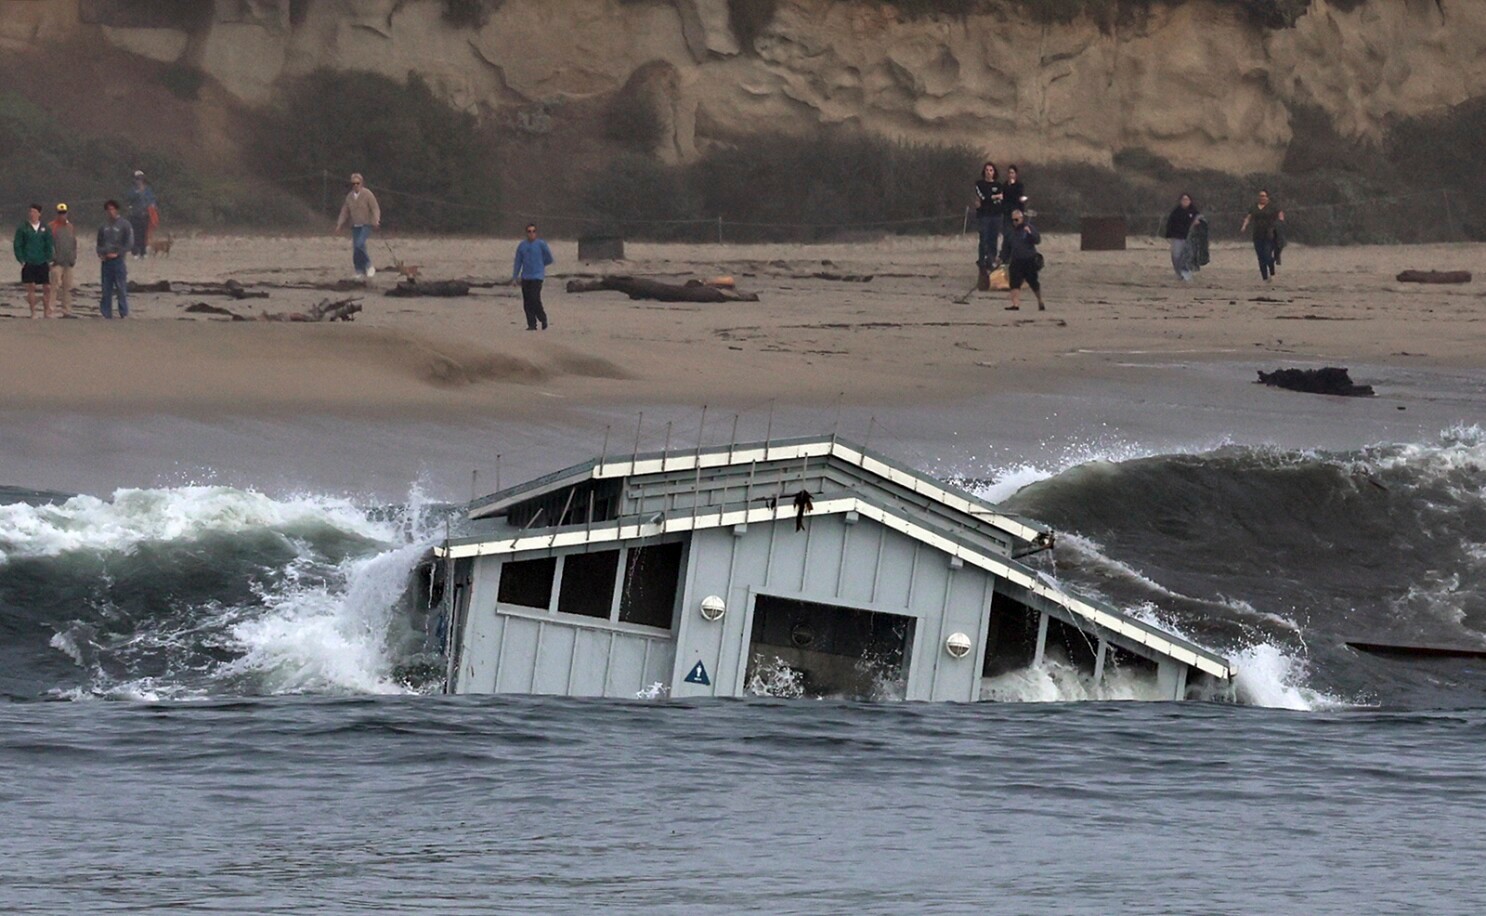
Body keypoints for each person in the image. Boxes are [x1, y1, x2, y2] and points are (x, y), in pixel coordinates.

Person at [335, 172, 381, 278]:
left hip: (366, 224)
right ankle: (359, 270)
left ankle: (369, 265)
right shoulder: (349, 197)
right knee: (356, 249)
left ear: (361, 183)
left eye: (357, 183)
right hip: (355, 225)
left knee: (360, 244)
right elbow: (345, 211)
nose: (355, 185)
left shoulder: (368, 194)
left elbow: (375, 208)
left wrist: (376, 220)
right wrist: (339, 224)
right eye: (353, 183)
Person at [13, 204, 54, 319]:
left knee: (47, 287)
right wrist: (21, 259)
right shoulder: (23, 228)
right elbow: (17, 245)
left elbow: (49, 244)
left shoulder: (45, 228)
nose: (32, 214)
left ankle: (46, 312)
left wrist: (49, 259)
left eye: (35, 212)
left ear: (39, 214)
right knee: (31, 287)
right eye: (31, 212)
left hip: (42, 261)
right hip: (29, 261)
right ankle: (33, 312)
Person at [999, 209, 1044, 312]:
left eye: (1016, 220)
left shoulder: (1028, 228)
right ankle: (1015, 304)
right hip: (1016, 260)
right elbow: (1006, 247)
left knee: (1033, 282)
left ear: (1021, 219)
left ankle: (1040, 301)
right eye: (1012, 220)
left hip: (1029, 259)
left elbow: (1037, 240)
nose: (1014, 222)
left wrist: (1030, 234)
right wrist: (1002, 257)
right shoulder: (1010, 232)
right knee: (1014, 283)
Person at [511, 223, 554, 330]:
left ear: (536, 233)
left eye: (533, 231)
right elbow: (518, 262)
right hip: (525, 277)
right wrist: (515, 277)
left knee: (535, 298)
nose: (531, 234)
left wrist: (540, 264)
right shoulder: (522, 245)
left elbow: (549, 258)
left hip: (537, 276)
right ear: (526, 233)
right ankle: (531, 324)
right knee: (527, 301)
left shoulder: (541, 244)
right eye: (529, 231)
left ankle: (542, 318)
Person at [97, 199, 134, 318]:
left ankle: (123, 312)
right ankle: (106, 313)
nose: (110, 212)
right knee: (106, 288)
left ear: (116, 210)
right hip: (106, 262)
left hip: (118, 261)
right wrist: (101, 253)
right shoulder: (103, 226)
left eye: (112, 209)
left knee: (121, 287)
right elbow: (99, 243)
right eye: (108, 210)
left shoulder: (125, 224)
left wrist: (118, 253)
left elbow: (129, 243)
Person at [1239, 189, 1285, 282]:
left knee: (1267, 255)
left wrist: (1280, 222)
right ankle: (1264, 278)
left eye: (1264, 196)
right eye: (1260, 196)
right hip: (1257, 234)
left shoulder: (1273, 207)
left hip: (1269, 234)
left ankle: (1272, 272)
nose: (1262, 197)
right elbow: (1249, 217)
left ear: (1267, 197)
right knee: (1260, 257)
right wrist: (1244, 226)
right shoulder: (1254, 207)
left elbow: (1280, 215)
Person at [972, 161, 1005, 269]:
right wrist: (994, 197)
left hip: (996, 216)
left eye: (991, 170)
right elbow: (983, 197)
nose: (988, 172)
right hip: (984, 216)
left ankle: (991, 261)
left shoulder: (998, 185)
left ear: (994, 172)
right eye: (986, 170)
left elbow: (1002, 198)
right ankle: (982, 261)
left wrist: (994, 198)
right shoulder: (979, 184)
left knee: (993, 239)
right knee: (984, 239)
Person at [1163, 193, 1200, 282]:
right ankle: (1179, 272)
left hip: (1190, 238)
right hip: (1177, 237)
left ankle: (1186, 273)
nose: (1185, 201)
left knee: (1188, 255)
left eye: (1187, 199)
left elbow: (1201, 224)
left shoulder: (1194, 212)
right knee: (1176, 255)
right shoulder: (1176, 212)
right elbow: (1170, 224)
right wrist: (1169, 234)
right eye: (1183, 200)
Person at [49, 203, 77, 317]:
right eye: (60, 213)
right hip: (56, 263)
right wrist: (51, 259)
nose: (62, 215)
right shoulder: (51, 226)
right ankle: (50, 309)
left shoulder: (70, 227)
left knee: (67, 287)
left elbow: (74, 243)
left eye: (64, 213)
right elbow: (48, 244)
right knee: (54, 286)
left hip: (68, 262)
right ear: (57, 214)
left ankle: (66, 310)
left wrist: (73, 257)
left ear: (67, 213)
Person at [125, 170, 157, 258]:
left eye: (141, 179)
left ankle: (143, 252)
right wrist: (138, 192)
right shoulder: (132, 190)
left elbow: (152, 199)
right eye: (137, 179)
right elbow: (128, 198)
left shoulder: (148, 189)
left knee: (144, 233)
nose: (139, 181)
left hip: (145, 215)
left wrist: (153, 205)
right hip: (134, 215)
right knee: (135, 234)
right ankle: (135, 252)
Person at [1002, 164, 1028, 242]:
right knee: (1007, 233)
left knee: (1017, 233)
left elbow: (1018, 197)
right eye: (1009, 173)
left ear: (1016, 174)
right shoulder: (1004, 185)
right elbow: (1004, 197)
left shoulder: (1019, 185)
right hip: (1007, 212)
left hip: (1017, 212)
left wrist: (1012, 186)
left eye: (1012, 173)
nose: (1010, 175)